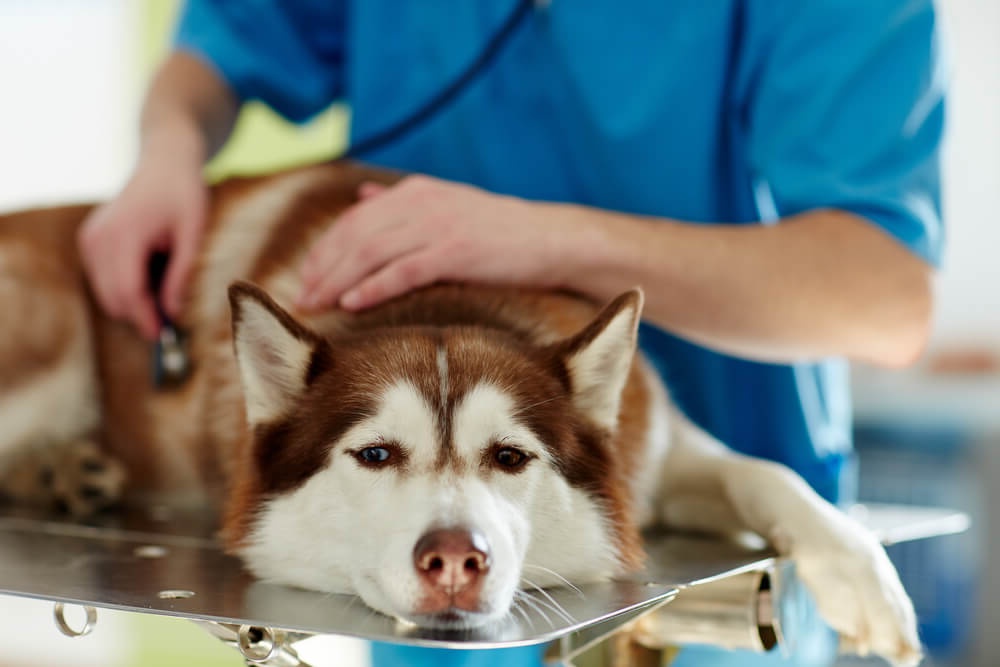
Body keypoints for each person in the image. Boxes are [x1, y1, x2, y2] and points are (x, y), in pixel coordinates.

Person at [78, 2, 945, 666]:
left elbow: (887, 297)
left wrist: (553, 239)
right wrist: (166, 150)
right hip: (433, 592)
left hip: (706, 560)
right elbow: (229, 42)